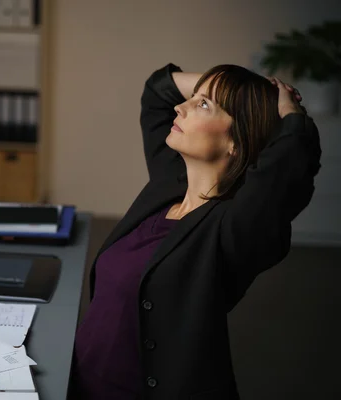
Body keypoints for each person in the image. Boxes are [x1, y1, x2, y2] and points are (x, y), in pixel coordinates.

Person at [69, 63, 322, 400]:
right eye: (194, 97)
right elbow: (159, 91)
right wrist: (251, 87)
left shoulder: (236, 227)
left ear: (236, 141)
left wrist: (285, 107)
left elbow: (290, 165)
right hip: (79, 383)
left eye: (203, 105)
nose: (181, 106)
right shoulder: (167, 184)